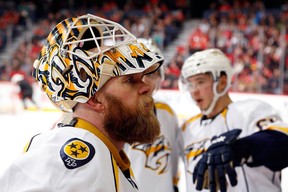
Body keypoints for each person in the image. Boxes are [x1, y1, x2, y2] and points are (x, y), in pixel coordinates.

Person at [0, 14, 164, 191]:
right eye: (130, 80)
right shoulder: (71, 157)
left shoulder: (103, 153)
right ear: (94, 98)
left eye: (143, 77)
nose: (146, 87)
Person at [179, 48, 288, 192]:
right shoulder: (188, 128)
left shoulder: (249, 111)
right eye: (190, 84)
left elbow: (282, 145)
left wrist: (241, 149)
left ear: (222, 82)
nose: (194, 90)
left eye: (200, 82)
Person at [124, 38, 182, 192]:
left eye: (152, 73)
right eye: (138, 73)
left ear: (160, 78)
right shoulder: (116, 113)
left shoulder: (167, 114)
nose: (143, 80)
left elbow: (175, 159)